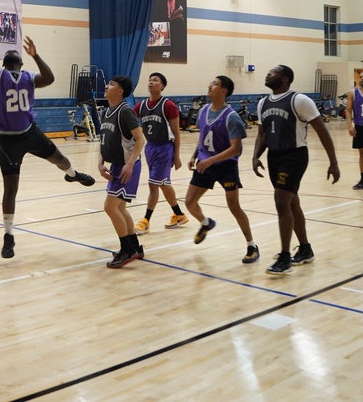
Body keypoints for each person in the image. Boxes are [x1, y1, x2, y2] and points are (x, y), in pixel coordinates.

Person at [0, 1, 96, 259]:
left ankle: (73, 174)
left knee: (58, 159)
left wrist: (36, 56)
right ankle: (8, 236)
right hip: (8, 140)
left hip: (29, 132)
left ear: (9, 63)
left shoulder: (25, 77)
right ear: (11, 63)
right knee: (11, 188)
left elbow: (49, 79)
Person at [252, 65, 340, 276]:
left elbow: (322, 131)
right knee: (292, 202)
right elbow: (262, 134)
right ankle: (305, 249)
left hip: (294, 156)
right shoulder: (263, 102)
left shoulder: (299, 101)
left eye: (272, 71)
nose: (267, 73)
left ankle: (284, 258)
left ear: (284, 78)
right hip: (274, 156)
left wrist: (333, 162)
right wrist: (256, 156)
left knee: (282, 201)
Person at [185, 76, 259, 264]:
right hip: (205, 163)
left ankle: (252, 245)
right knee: (190, 202)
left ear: (224, 91)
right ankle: (206, 223)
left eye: (215, 84)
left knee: (233, 205)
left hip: (225, 165)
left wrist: (210, 160)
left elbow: (235, 149)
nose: (209, 85)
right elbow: (203, 138)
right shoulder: (203, 111)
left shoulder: (231, 117)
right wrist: (195, 155)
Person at [97, 75, 146, 268]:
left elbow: (140, 140)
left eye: (111, 84)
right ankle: (135, 247)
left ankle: (127, 250)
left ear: (120, 91)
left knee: (110, 207)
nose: (106, 86)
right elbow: (103, 142)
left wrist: (131, 163)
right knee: (119, 208)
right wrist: (100, 164)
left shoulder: (125, 112)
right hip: (116, 165)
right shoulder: (105, 112)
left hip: (128, 165)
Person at [132, 72, 188, 234]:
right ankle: (179, 215)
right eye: (149, 80)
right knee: (163, 183)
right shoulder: (141, 106)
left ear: (162, 86)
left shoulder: (168, 105)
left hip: (165, 147)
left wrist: (176, 155)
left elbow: (177, 132)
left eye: (155, 80)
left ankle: (146, 221)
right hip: (150, 147)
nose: (151, 82)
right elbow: (128, 118)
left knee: (153, 184)